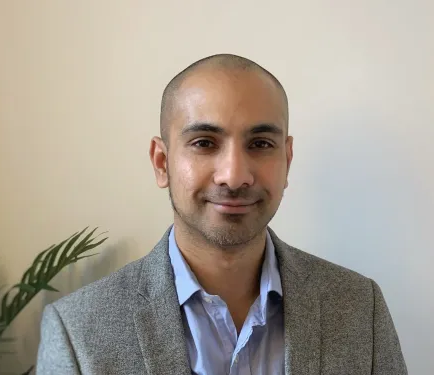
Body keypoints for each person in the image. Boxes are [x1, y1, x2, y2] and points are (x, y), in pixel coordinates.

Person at [36, 54, 407, 375]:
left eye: (260, 144)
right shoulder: (78, 330)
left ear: (287, 160)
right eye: (204, 143)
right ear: (162, 162)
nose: (234, 175)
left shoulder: (360, 307)